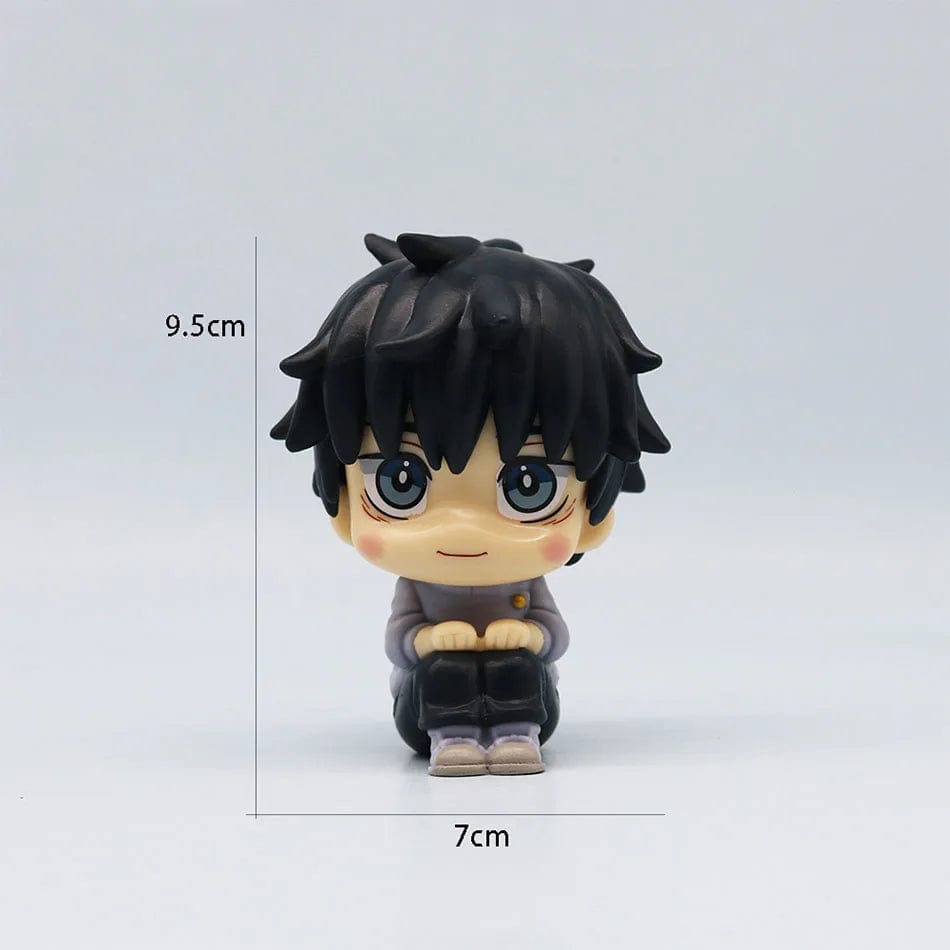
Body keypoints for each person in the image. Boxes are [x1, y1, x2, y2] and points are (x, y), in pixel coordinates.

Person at [272, 232, 669, 776]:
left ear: (593, 520)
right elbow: (399, 639)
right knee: (446, 673)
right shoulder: (420, 588)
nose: (461, 530)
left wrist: (529, 635)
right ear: (343, 507)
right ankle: (452, 740)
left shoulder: (525, 584)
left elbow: (554, 634)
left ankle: (516, 737)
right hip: (424, 705)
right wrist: (429, 639)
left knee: (517, 668)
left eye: (530, 485)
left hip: (529, 697)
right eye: (400, 481)